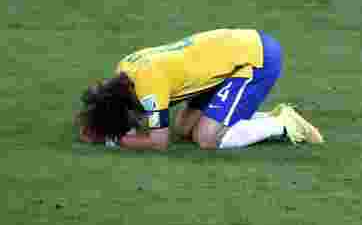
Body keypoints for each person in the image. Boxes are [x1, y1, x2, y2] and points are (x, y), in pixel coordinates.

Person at [77, 28, 324, 150]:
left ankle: (285, 123)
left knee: (206, 138)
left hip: (255, 59)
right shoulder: (125, 68)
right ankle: (265, 117)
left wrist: (114, 139)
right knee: (184, 129)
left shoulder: (149, 91)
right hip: (225, 55)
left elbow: (159, 142)